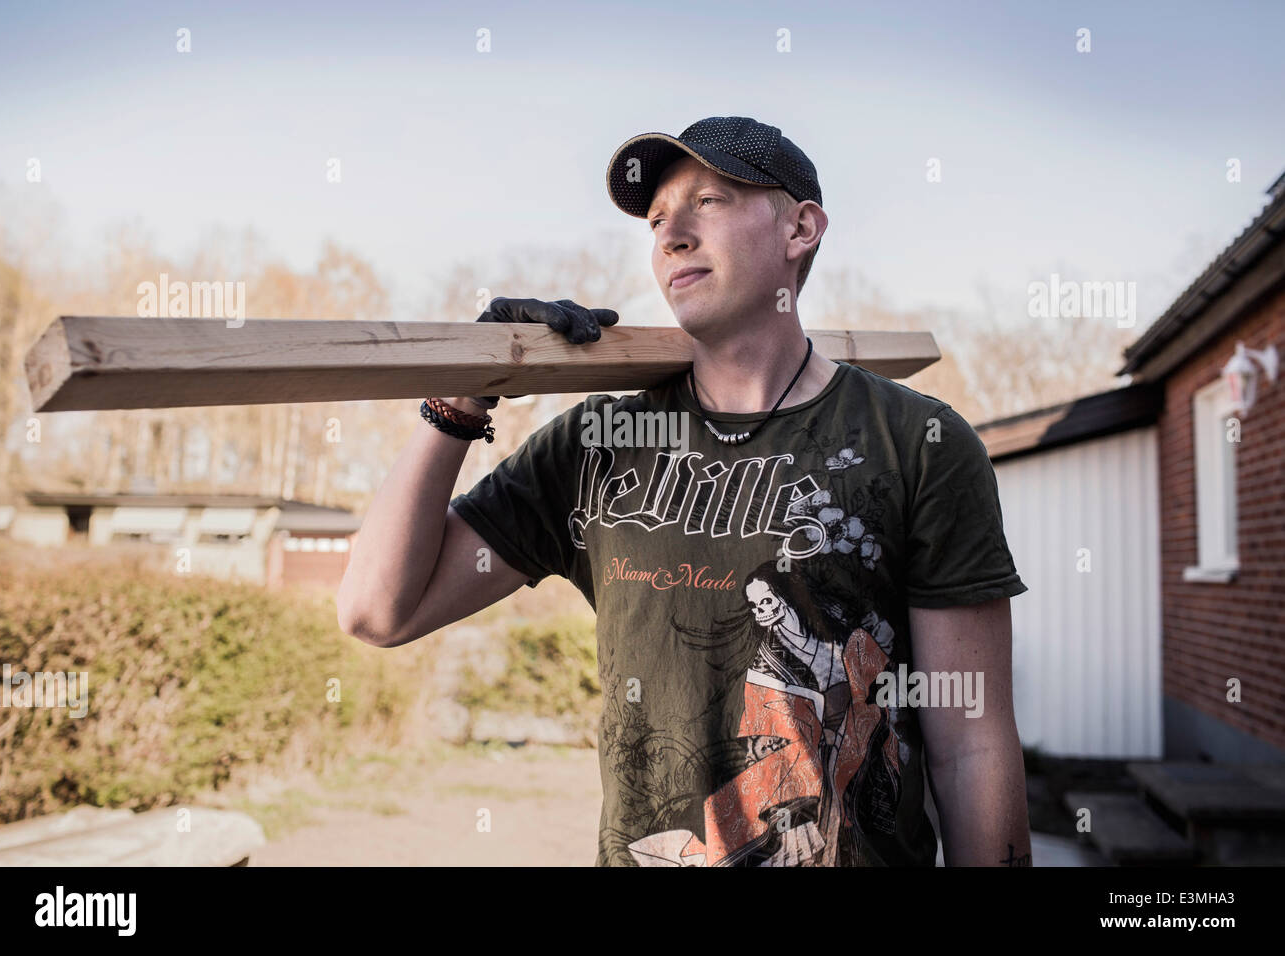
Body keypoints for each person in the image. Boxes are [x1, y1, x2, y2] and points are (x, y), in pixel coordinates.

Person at [337, 116, 1033, 867]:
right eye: (659, 219)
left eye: (710, 201)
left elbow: (973, 742)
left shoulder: (917, 442)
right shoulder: (595, 447)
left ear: (801, 228)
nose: (672, 235)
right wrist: (459, 399)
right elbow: (378, 611)